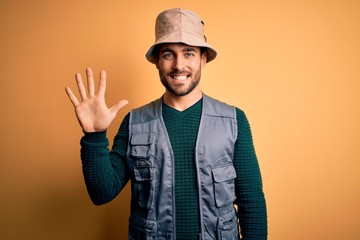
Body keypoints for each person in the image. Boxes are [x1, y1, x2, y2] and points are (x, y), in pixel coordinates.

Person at [65, 8, 267, 240]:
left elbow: (252, 203)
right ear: (157, 62)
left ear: (203, 59)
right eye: (169, 54)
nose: (179, 65)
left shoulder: (234, 121)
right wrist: (95, 135)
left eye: (189, 53)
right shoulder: (134, 123)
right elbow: (102, 193)